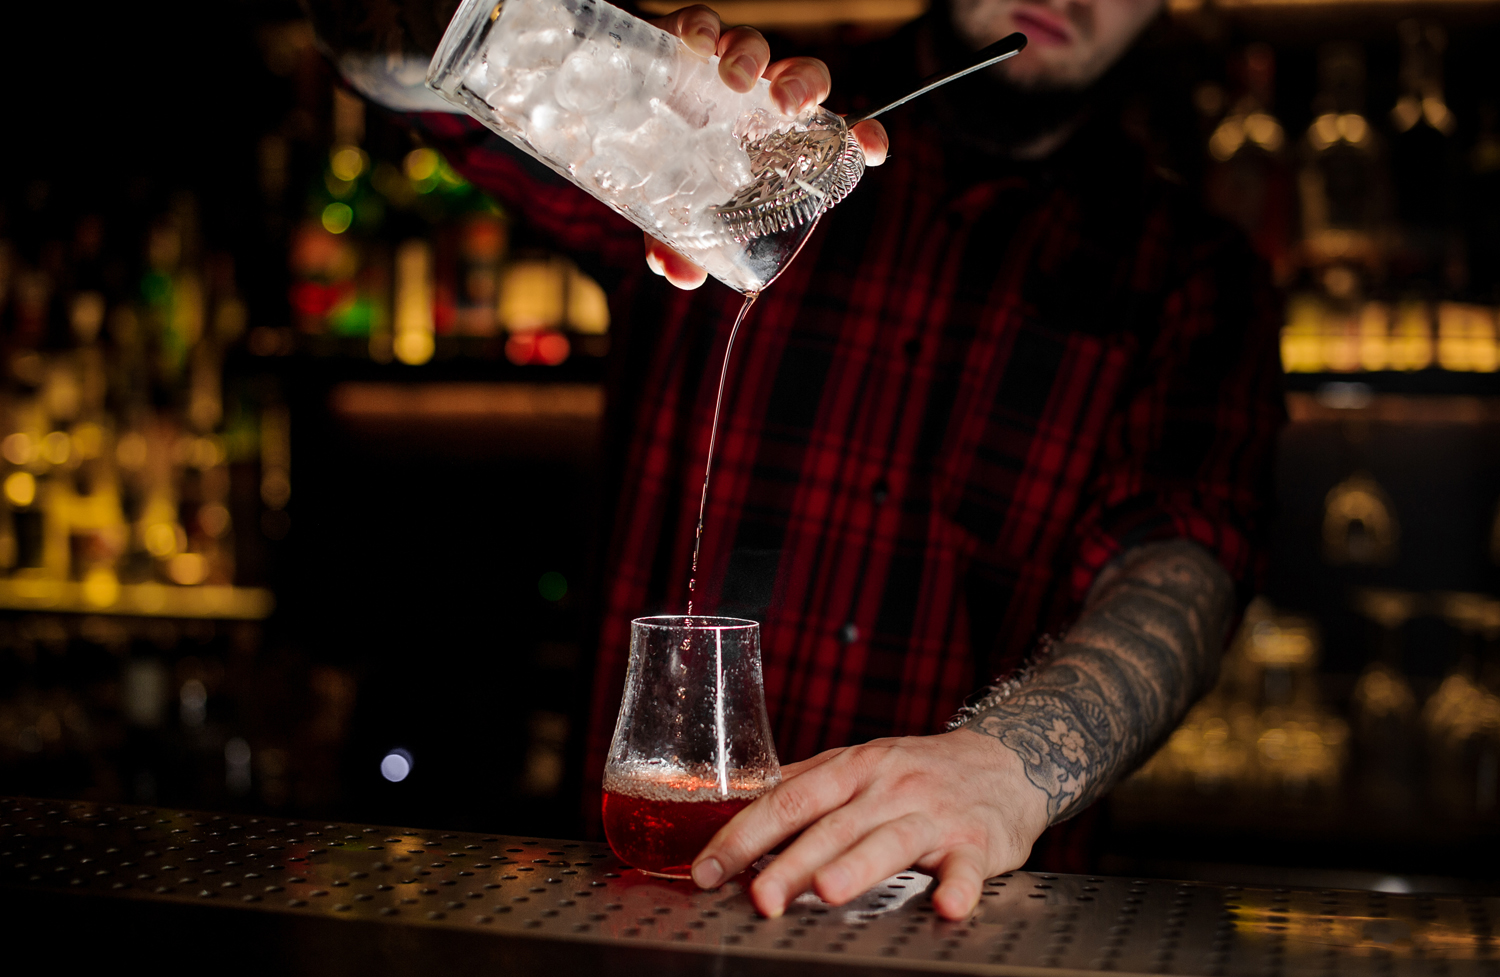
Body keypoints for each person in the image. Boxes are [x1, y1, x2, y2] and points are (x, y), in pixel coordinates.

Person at [311, 0, 1284, 921]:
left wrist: (1012, 765)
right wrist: (585, 62)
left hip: (950, 929)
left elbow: (1182, 571)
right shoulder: (741, 134)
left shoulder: (1192, 275)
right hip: (640, 903)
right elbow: (388, 50)